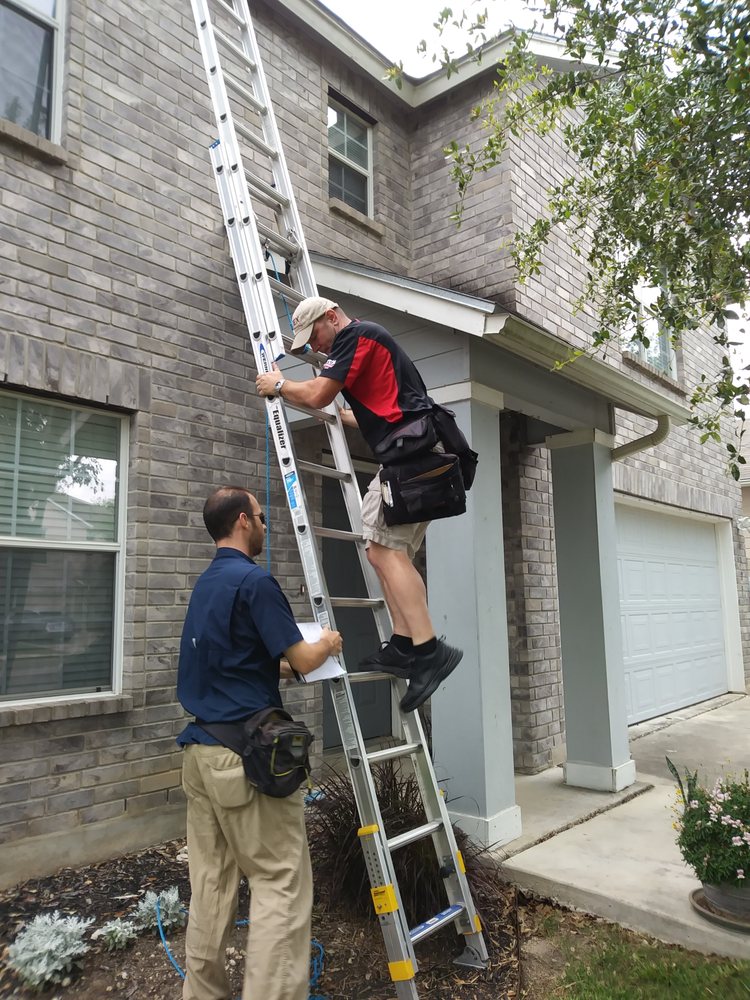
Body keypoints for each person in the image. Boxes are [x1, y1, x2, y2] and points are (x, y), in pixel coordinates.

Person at [255, 296, 462, 714]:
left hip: (411, 461)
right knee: (390, 551)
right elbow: (362, 411)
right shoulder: (366, 344)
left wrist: (278, 386)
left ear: (332, 318)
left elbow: (317, 393)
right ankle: (406, 644)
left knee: (381, 550)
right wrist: (322, 409)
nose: (321, 346)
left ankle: (427, 651)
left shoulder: (358, 335)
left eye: (317, 336)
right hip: (420, 458)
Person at [176, 486, 343, 1000]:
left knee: (210, 884)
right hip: (243, 762)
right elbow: (307, 657)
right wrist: (328, 643)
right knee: (280, 881)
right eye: (263, 518)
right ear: (244, 521)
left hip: (200, 754)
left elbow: (235, 655)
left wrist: (280, 664)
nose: (267, 526)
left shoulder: (205, 584)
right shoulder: (256, 581)